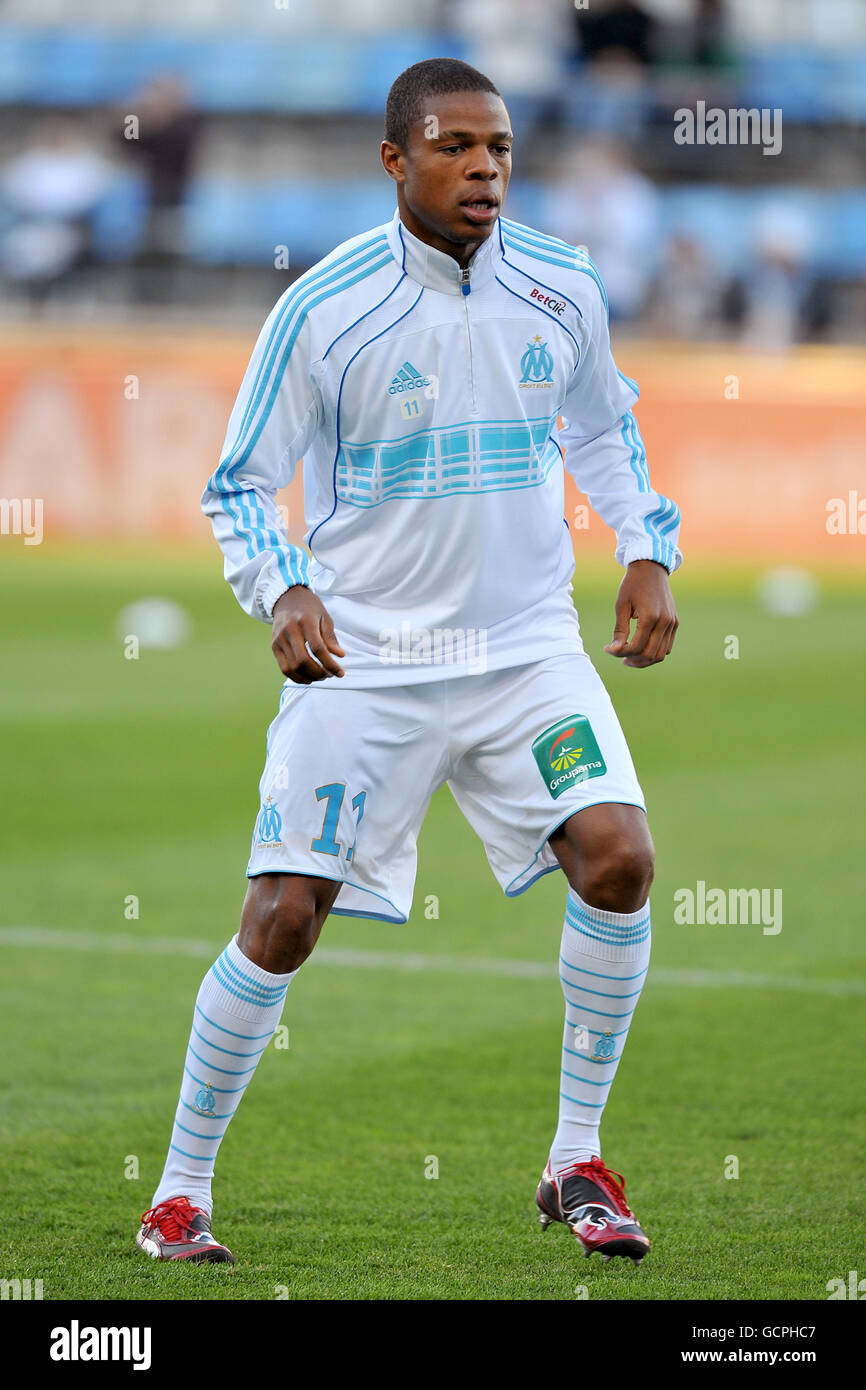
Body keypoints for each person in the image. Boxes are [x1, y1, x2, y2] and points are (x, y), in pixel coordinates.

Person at [136, 57, 681, 1270]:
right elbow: (236, 486)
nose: (483, 167)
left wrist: (644, 548)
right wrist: (280, 586)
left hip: (524, 651)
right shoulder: (323, 309)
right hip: (367, 660)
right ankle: (178, 1191)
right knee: (279, 922)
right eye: (454, 147)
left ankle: (576, 1157)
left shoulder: (563, 285)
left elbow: (603, 427)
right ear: (394, 161)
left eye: (497, 148)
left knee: (619, 857)